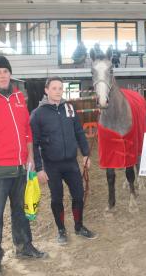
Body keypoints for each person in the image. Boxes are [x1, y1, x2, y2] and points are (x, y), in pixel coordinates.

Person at [0, 55, 47, 275]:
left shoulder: (18, 97)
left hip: (20, 167)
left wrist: (30, 156)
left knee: (21, 210)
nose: (2, 75)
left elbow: (27, 128)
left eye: (5, 71)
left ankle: (24, 246)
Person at [30, 77, 96, 245]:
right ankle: (61, 230)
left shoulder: (70, 108)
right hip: (51, 165)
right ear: (46, 90)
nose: (58, 91)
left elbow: (79, 132)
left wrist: (86, 154)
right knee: (56, 198)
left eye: (60, 88)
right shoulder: (38, 114)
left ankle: (79, 226)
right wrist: (39, 168)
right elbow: (34, 143)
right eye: (54, 88)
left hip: (70, 162)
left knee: (79, 195)